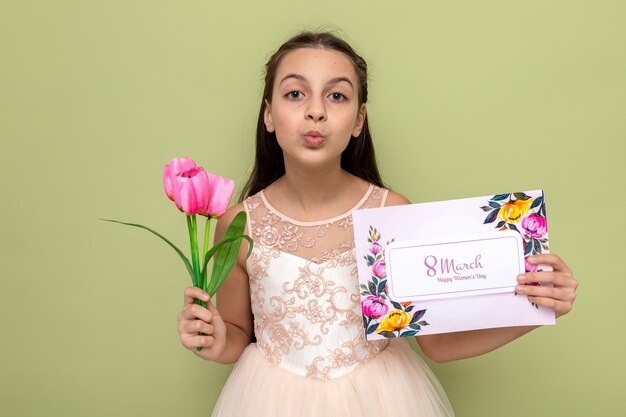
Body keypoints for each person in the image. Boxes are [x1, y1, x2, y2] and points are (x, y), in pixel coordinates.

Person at [176, 31, 578, 417]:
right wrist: (213, 338)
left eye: (337, 95)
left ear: (358, 120)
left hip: (381, 400)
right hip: (268, 400)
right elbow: (234, 332)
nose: (316, 110)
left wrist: (538, 310)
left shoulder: (390, 214)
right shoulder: (238, 222)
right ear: (268, 114)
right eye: (295, 93)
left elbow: (435, 342)